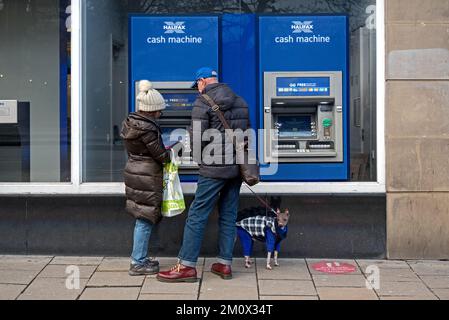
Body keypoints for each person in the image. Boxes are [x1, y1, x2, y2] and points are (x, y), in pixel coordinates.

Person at [157, 67, 250, 282]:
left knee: (197, 215)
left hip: (213, 168)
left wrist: (198, 160)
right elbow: (246, 136)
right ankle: (224, 264)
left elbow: (197, 139)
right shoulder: (240, 101)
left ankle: (187, 265)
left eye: (197, 85)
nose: (197, 89)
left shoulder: (203, 102)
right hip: (235, 169)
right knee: (228, 215)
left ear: (201, 81)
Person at [121, 80, 179, 276]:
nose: (161, 113)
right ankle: (137, 262)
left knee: (141, 216)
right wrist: (172, 152)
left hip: (135, 170)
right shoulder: (148, 128)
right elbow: (160, 155)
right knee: (145, 219)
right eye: (159, 110)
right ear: (152, 109)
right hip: (146, 174)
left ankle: (141, 258)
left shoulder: (131, 123)